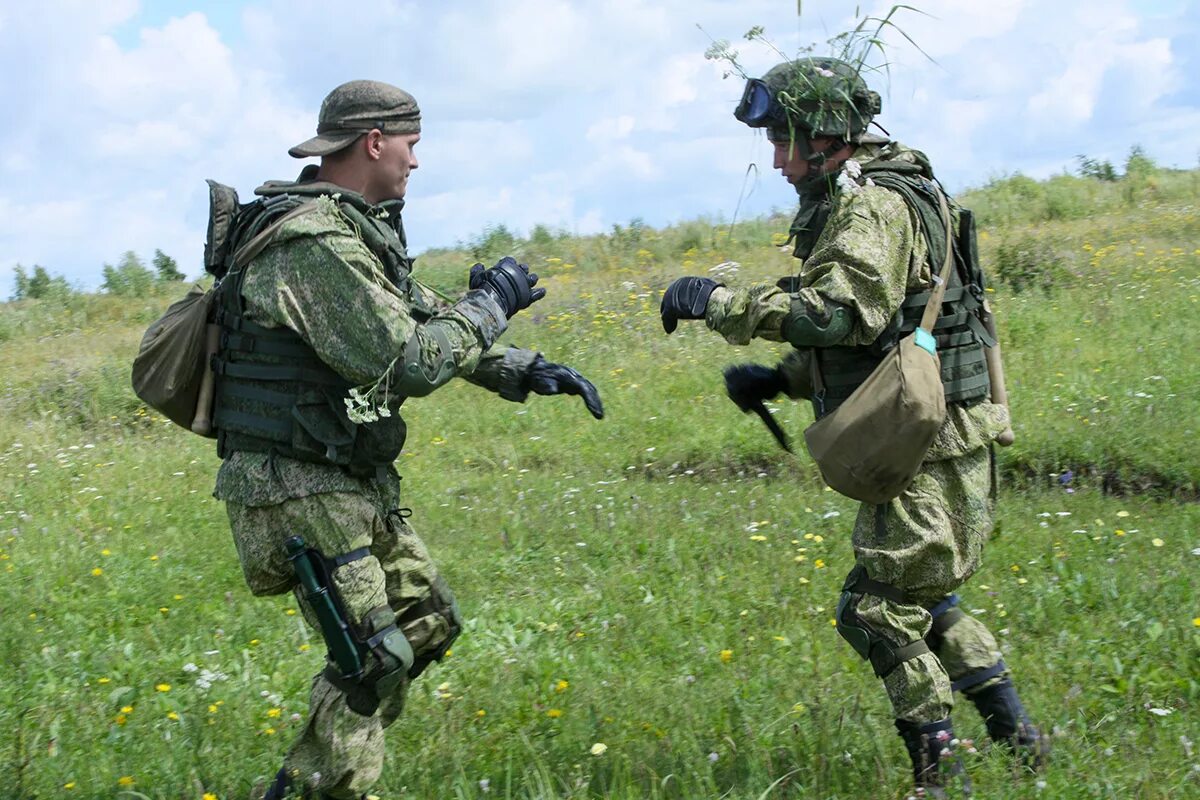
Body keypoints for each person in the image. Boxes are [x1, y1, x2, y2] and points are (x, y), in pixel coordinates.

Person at [205, 80, 604, 800]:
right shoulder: (312, 242)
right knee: (373, 657)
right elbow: (413, 362)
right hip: (295, 483)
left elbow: (422, 322)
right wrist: (491, 306)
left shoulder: (352, 230)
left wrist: (524, 370)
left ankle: (305, 781)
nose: (416, 162)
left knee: (425, 624)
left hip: (339, 475)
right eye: (412, 145)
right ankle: (314, 790)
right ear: (375, 141)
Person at [659, 58, 1045, 797]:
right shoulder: (896, 188)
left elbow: (843, 314)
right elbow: (888, 335)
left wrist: (719, 302)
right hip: (939, 435)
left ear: (825, 133)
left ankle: (941, 775)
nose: (775, 158)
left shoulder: (871, 206)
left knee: (876, 613)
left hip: (924, 446)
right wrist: (786, 379)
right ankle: (1022, 743)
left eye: (783, 137)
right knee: (927, 604)